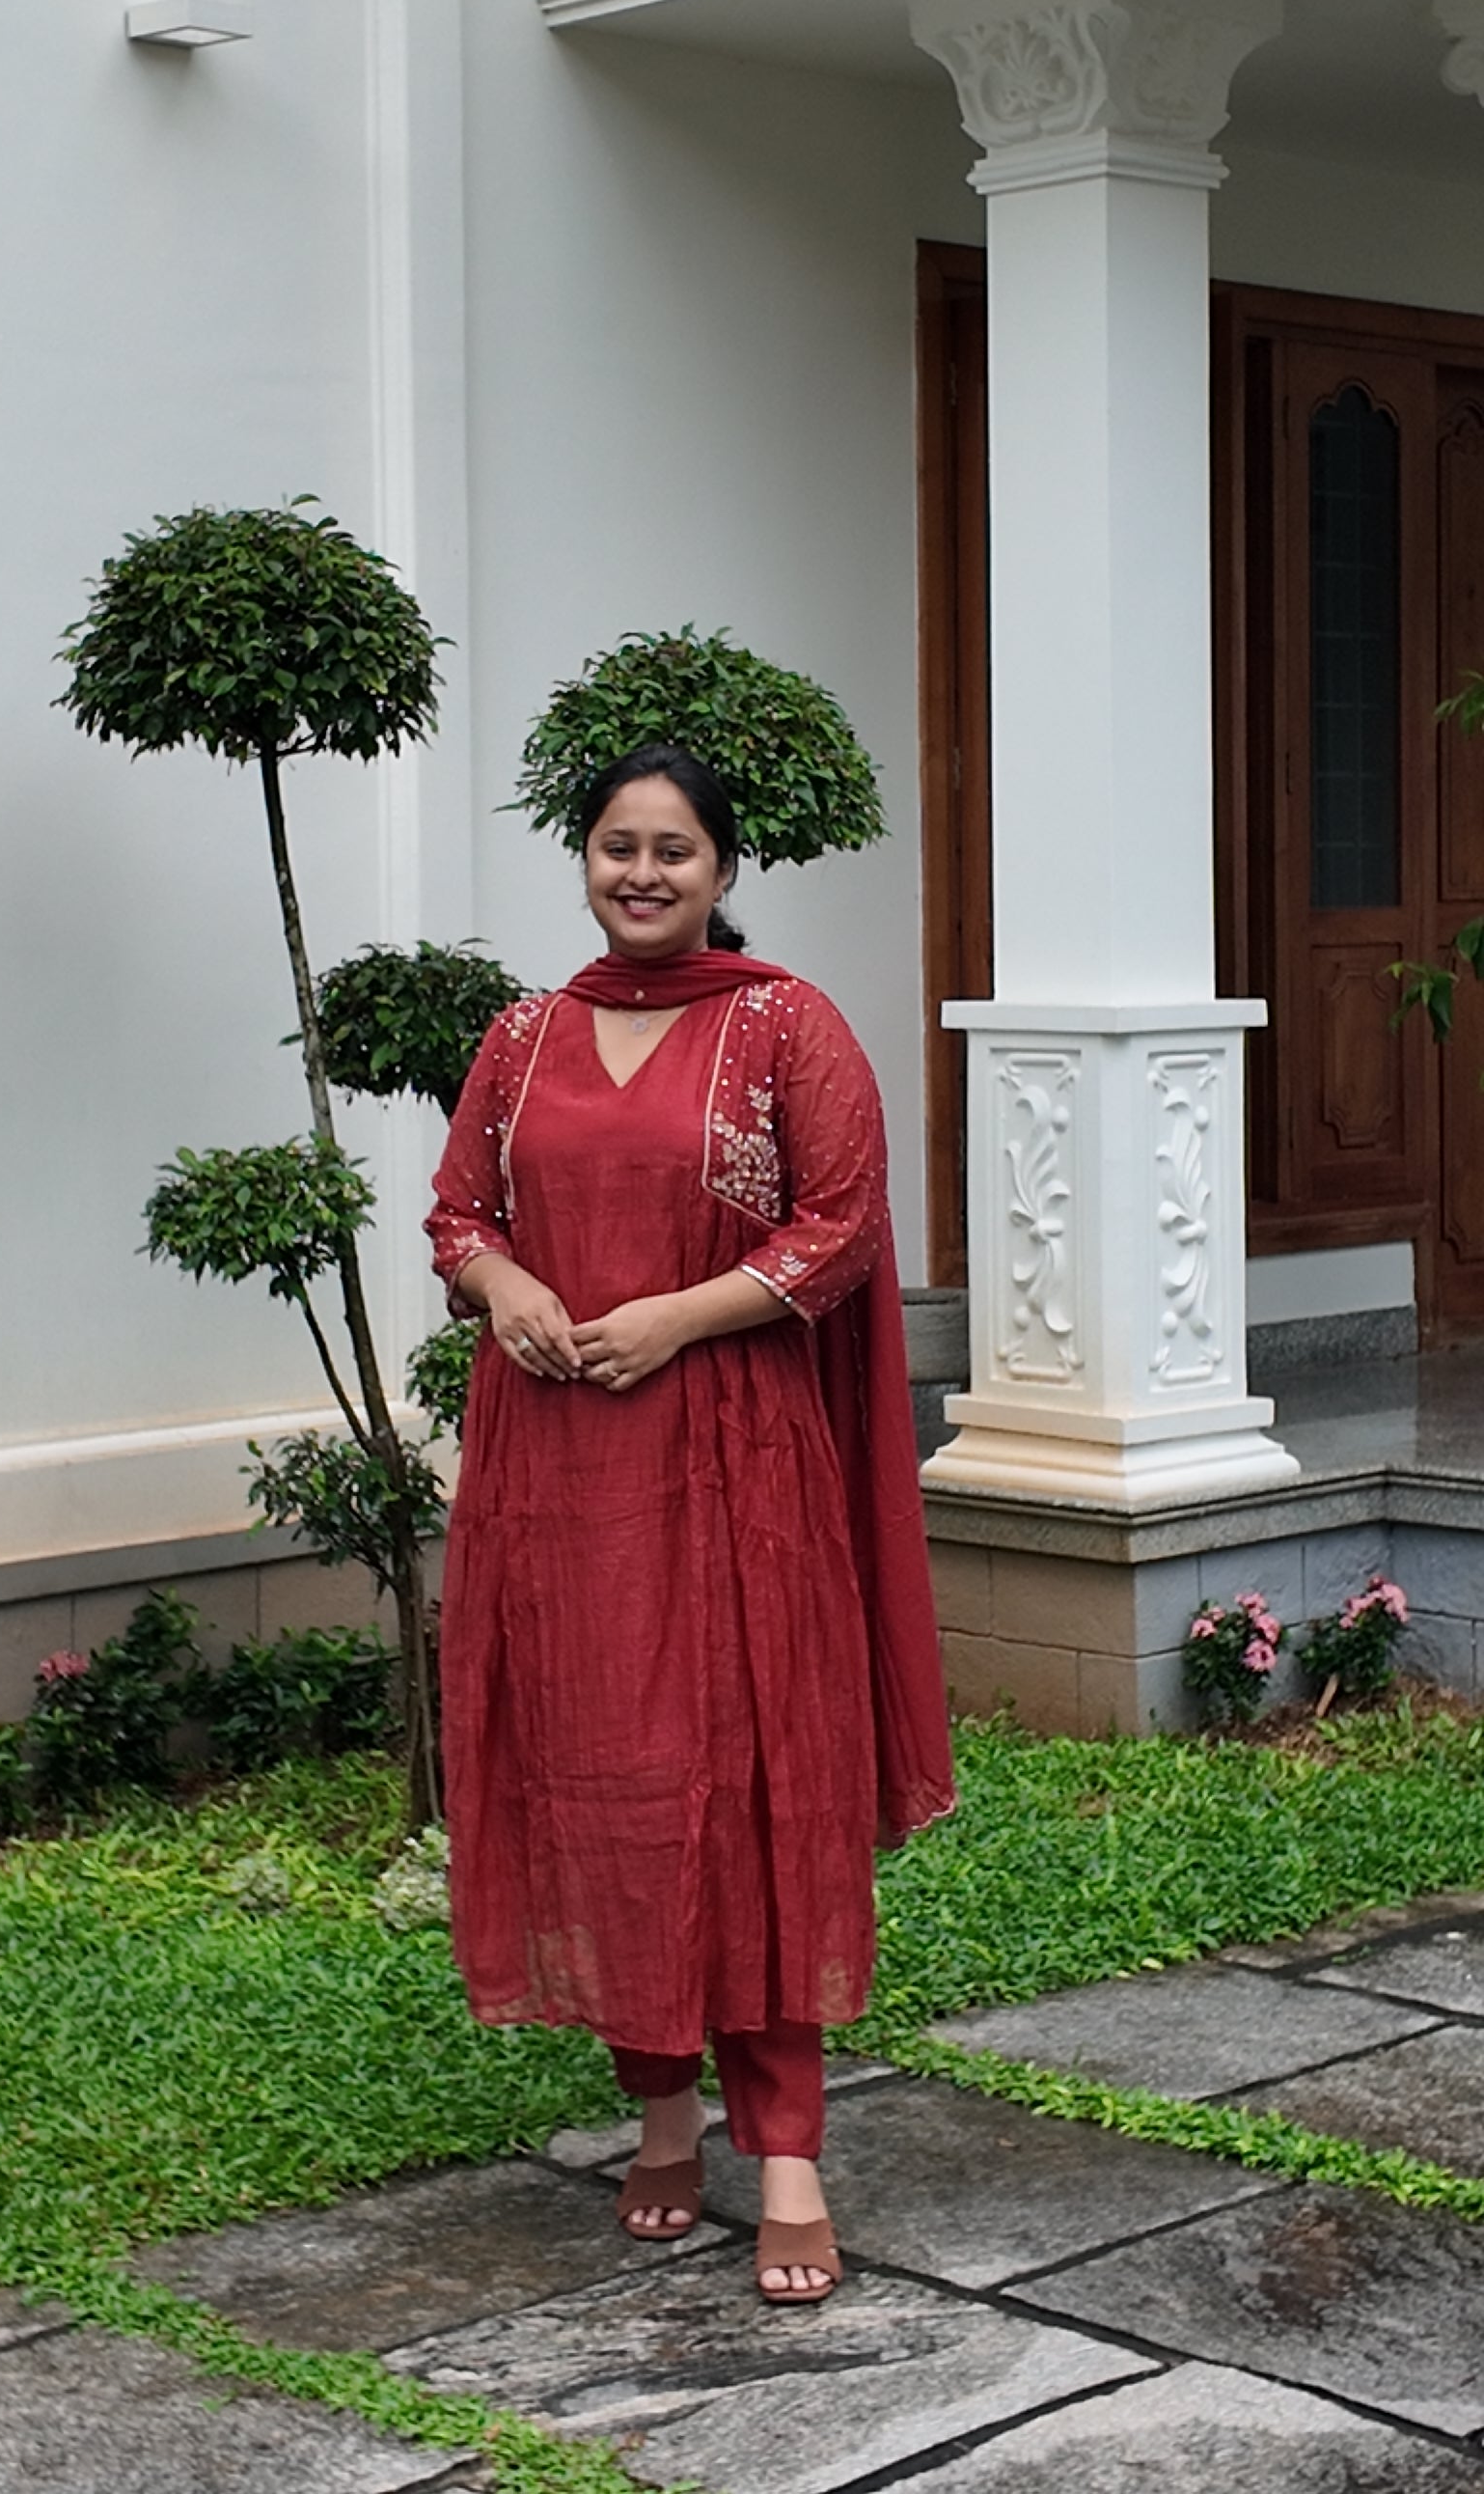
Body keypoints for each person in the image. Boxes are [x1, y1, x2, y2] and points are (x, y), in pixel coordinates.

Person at [426, 742, 953, 2304]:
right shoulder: (524, 1036)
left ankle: (786, 2156)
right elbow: (460, 1214)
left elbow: (841, 1230)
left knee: (750, 1785)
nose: (641, 873)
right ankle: (662, 2115)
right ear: (584, 861)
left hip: (734, 1464)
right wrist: (507, 1287)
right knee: (608, 1783)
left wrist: (674, 1317)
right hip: (562, 1476)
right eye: (617, 846)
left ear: (723, 870)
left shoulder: (787, 1024)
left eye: (673, 850)